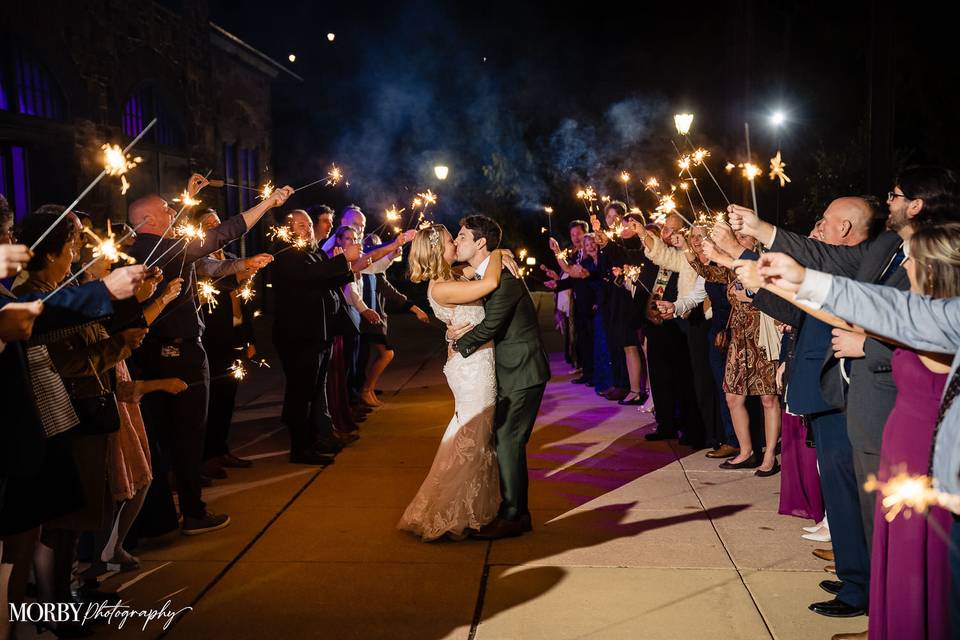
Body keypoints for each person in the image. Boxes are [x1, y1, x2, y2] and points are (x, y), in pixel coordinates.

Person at [728, 165, 960, 619]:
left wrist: (859, 335)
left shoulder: (942, 317)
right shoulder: (897, 264)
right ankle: (882, 609)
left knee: (921, 563)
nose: (907, 262)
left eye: (894, 194)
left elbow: (879, 312)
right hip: (892, 430)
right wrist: (795, 279)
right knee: (893, 546)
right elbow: (867, 300)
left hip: (920, 446)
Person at [127, 174, 293, 535]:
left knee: (165, 435)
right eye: (165, 209)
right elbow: (224, 234)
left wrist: (187, 195)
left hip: (154, 353)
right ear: (148, 221)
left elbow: (205, 251)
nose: (173, 211)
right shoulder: (165, 249)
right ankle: (193, 512)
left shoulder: (145, 248)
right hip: (180, 354)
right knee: (188, 434)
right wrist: (268, 204)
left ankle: (159, 517)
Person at [399, 224, 515, 541]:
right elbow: (490, 281)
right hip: (472, 369)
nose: (456, 244)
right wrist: (500, 251)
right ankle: (445, 513)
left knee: (474, 437)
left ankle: (471, 508)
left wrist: (495, 252)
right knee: (471, 439)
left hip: (476, 364)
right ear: (439, 250)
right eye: (453, 240)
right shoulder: (441, 287)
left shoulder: (452, 276)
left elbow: (475, 283)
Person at [449, 215, 551, 539]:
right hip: (509, 369)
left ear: (480, 243)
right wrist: (499, 251)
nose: (456, 240)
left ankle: (515, 516)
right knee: (504, 439)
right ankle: (512, 509)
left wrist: (457, 345)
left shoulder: (505, 278)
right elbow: (453, 272)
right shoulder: (487, 270)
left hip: (523, 369)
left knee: (509, 440)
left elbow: (491, 325)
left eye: (462, 236)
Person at [688, 231, 781, 474]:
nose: (736, 241)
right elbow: (709, 272)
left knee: (768, 398)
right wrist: (693, 251)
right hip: (739, 338)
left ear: (754, 242)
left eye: (741, 238)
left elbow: (780, 296)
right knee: (733, 396)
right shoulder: (731, 268)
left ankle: (770, 455)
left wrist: (753, 298)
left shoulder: (766, 264)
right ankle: (745, 451)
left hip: (762, 334)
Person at [193, 208, 271, 480]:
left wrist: (249, 338)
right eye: (209, 223)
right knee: (212, 400)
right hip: (214, 339)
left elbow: (246, 303)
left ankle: (222, 448)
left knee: (228, 399)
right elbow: (223, 279)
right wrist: (244, 268)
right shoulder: (198, 260)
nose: (216, 224)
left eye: (218, 220)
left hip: (236, 336)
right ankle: (206, 456)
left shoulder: (232, 258)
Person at [357, 233, 430, 408]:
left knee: (366, 358)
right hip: (368, 321)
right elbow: (393, 294)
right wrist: (415, 309)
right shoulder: (365, 271)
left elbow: (391, 293)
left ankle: (368, 389)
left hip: (375, 320)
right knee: (386, 353)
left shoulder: (376, 273)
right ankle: (365, 390)